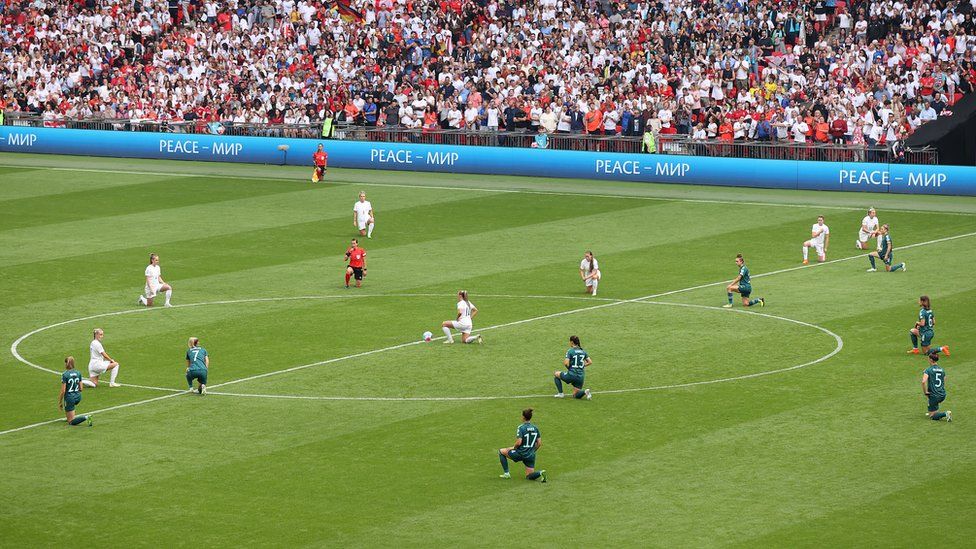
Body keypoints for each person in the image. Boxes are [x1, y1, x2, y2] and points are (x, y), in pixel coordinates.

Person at [498, 408, 547, 482]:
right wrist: (532, 451)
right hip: (530, 455)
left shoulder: (521, 428)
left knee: (501, 451)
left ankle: (506, 473)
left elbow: (518, 442)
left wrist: (513, 448)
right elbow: (539, 443)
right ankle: (540, 473)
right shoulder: (535, 428)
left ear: (523, 417)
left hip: (520, 453)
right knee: (529, 476)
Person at [554, 335, 592, 400]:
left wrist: (569, 368)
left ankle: (561, 394)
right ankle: (585, 391)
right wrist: (582, 366)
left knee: (556, 374)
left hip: (571, 374)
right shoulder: (583, 351)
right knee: (576, 395)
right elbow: (590, 362)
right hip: (580, 377)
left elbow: (566, 363)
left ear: (572, 342)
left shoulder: (570, 351)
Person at [59, 356, 92, 427]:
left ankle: (86, 417)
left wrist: (60, 402)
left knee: (71, 422)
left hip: (70, 398)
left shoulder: (65, 374)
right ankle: (70, 415)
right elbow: (81, 388)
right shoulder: (78, 373)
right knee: (70, 409)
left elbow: (63, 391)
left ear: (66, 364)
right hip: (78, 396)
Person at [921, 353, 951, 422]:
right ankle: (936, 412)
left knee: (932, 416)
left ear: (931, 360)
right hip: (942, 394)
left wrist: (925, 392)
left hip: (934, 395)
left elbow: (923, 382)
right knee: (934, 409)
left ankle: (945, 413)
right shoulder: (942, 370)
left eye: (928, 358)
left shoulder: (928, 370)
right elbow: (944, 379)